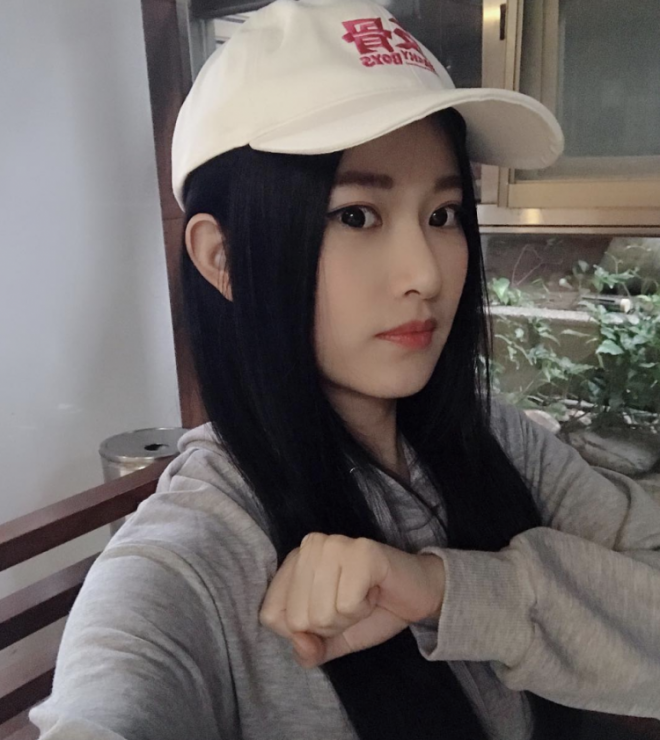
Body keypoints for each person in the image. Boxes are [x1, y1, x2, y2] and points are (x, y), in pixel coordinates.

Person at [30, 1, 660, 739]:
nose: (425, 273)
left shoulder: (494, 440)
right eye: (356, 215)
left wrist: (449, 590)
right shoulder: (194, 556)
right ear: (223, 258)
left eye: (443, 214)